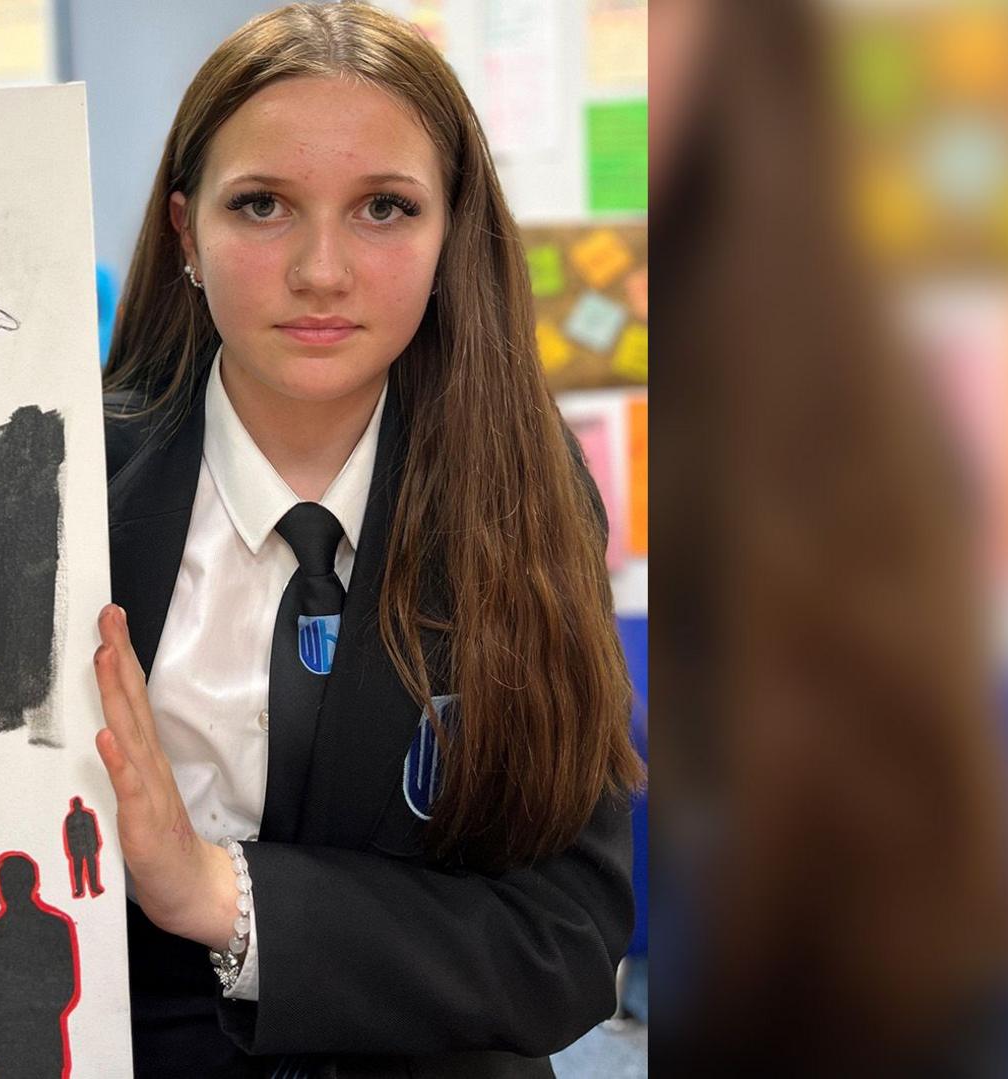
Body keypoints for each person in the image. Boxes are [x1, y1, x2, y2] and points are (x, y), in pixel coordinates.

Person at [91, 4, 644, 1077]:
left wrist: (217, 891)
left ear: (450, 237)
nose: (322, 270)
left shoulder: (528, 496)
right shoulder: (59, 491)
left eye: (385, 207)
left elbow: (568, 939)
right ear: (184, 233)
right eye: (261, 205)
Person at [0, 853, 78, 1078]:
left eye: (9, 882)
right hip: (8, 1043)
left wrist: (25, 1018)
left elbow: (65, 985)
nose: (6, 889)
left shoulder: (54, 927)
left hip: (35, 1040)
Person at [61, 796, 104, 898]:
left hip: (89, 847)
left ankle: (93, 887)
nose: (76, 806)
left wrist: (96, 845)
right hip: (77, 848)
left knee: (91, 868)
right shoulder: (70, 818)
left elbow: (93, 831)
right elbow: (69, 835)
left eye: (77, 803)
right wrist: (71, 850)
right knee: (78, 870)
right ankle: (80, 890)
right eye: (75, 804)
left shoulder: (88, 816)